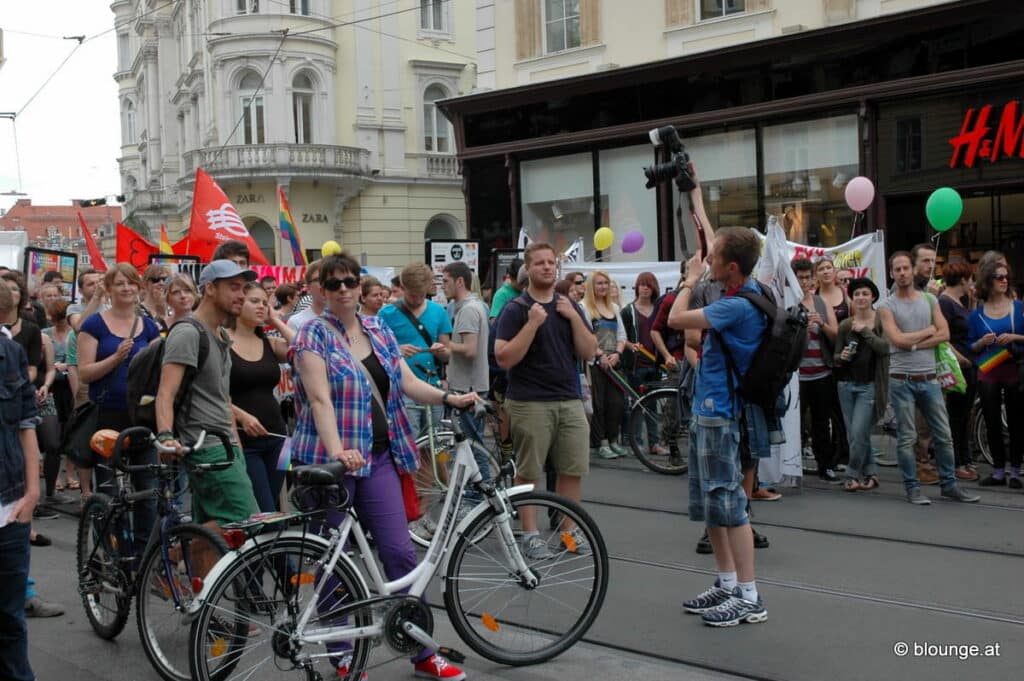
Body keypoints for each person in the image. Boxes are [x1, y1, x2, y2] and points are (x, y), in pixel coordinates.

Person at [290, 252, 475, 681]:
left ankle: (421, 650)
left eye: (349, 282)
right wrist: (337, 452)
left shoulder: (377, 327)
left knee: (399, 554)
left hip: (379, 456)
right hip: (327, 464)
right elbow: (319, 399)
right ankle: (341, 656)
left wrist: (449, 398)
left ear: (360, 286)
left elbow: (406, 380)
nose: (342, 290)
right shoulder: (311, 336)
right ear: (320, 290)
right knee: (334, 564)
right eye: (332, 283)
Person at [668, 228, 768, 627]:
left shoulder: (737, 306)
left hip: (719, 410)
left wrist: (689, 279)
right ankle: (727, 583)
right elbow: (715, 240)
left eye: (712, 259)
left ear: (730, 268)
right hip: (711, 406)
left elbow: (676, 318)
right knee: (712, 501)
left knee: (730, 504)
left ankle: (749, 594)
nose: (705, 260)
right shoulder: (749, 287)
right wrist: (693, 193)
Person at [494, 242, 598, 560]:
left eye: (551, 262)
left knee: (572, 468)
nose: (547, 267)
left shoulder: (569, 305)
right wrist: (532, 324)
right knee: (529, 471)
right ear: (528, 269)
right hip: (529, 401)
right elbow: (503, 357)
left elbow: (590, 351)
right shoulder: (516, 309)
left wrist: (574, 317)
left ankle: (568, 532)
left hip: (568, 398)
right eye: (539, 263)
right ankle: (531, 534)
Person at [156, 261, 260, 547]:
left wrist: (236, 446)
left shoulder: (220, 334)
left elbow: (222, 399)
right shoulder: (188, 333)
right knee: (244, 519)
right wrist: (165, 436)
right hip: (204, 448)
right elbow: (165, 392)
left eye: (244, 288)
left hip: (224, 446)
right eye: (234, 287)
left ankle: (197, 592)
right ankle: (167, 555)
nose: (241, 295)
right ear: (210, 288)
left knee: (208, 529)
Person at [878, 252, 980, 505]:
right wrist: (926, 333)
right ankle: (912, 487)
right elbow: (897, 340)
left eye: (905, 268)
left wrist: (912, 342)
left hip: (930, 377)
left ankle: (949, 485)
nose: (902, 273)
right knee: (907, 437)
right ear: (892, 274)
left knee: (943, 434)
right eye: (897, 269)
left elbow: (944, 334)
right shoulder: (885, 306)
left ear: (912, 271)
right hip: (901, 379)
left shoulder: (929, 300)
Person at [77, 264, 162, 553]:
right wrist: (115, 358)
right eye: (119, 284)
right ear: (109, 290)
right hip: (107, 416)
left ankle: (141, 558)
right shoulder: (94, 325)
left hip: (141, 417)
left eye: (131, 283)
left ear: (139, 288)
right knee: (109, 493)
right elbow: (85, 374)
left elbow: (158, 372)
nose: (126, 288)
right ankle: (113, 553)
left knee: (147, 492)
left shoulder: (148, 326)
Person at [0, 281, 43, 681]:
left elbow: (26, 425)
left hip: (9, 508)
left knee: (10, 621)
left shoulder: (10, 353)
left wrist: (32, 493)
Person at [227, 282, 295, 513]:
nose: (261, 307)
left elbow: (303, 349)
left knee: (275, 506)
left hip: (281, 438)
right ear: (238, 304)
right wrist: (241, 415)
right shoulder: (221, 341)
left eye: (265, 303)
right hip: (247, 443)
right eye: (254, 301)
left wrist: (275, 321)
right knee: (263, 510)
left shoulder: (269, 341)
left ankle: (278, 550)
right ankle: (273, 550)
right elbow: (210, 392)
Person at [968, 260, 1024, 488]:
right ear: (987, 282)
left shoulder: (1018, 307)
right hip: (989, 370)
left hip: (1014, 369)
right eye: (998, 277)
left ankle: (1015, 471)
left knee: (1017, 421)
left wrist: (1015, 338)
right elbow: (970, 346)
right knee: (991, 421)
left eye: (1006, 277)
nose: (1004, 281)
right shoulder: (977, 314)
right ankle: (998, 470)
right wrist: (982, 341)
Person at [379, 263, 452, 435]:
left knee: (437, 443)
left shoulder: (438, 311)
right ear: (402, 288)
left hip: (432, 385)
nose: (418, 299)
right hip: (402, 389)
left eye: (422, 294)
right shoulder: (386, 314)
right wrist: (397, 350)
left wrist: (441, 351)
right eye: (413, 295)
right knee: (410, 442)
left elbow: (448, 354)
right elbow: (378, 354)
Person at [833, 278, 889, 491]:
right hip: (846, 385)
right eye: (857, 294)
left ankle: (852, 474)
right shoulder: (846, 325)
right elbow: (836, 357)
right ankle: (871, 473)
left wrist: (865, 331)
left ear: (873, 296)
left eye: (865, 294)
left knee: (858, 433)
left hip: (869, 385)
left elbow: (884, 348)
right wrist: (843, 356)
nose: (861, 298)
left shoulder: (881, 321)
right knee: (856, 434)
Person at [792, 258, 842, 483]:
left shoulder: (821, 302)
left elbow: (837, 335)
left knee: (822, 422)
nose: (804, 282)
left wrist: (821, 323)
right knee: (795, 422)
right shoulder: (788, 302)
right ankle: (792, 465)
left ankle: (826, 465)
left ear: (813, 279)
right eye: (799, 277)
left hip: (821, 372)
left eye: (807, 277)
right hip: (797, 374)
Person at [938, 263, 979, 482]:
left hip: (968, 363)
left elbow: (969, 325)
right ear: (963, 280)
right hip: (959, 365)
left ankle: (964, 458)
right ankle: (956, 462)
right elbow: (943, 335)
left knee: (964, 415)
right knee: (957, 415)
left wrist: (972, 302)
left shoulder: (959, 302)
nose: (972, 283)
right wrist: (959, 359)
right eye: (970, 279)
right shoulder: (945, 302)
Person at [581, 270, 628, 459]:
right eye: (599, 283)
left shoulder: (615, 308)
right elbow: (586, 335)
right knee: (598, 404)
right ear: (592, 286)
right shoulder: (584, 307)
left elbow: (622, 336)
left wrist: (617, 353)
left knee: (616, 403)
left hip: (613, 362)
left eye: (605, 283)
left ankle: (613, 439)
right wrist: (600, 355)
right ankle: (601, 442)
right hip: (595, 364)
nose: (603, 287)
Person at [621, 271, 661, 407]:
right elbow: (620, 338)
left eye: (649, 286)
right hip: (635, 367)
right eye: (642, 285)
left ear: (654, 288)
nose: (645, 288)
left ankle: (653, 430)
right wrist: (631, 345)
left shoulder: (658, 310)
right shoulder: (627, 311)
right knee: (636, 407)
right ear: (637, 287)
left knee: (653, 407)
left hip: (656, 365)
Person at [288, 260, 324, 332]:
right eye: (319, 280)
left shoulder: (347, 317)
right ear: (308, 287)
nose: (324, 284)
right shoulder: (296, 322)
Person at [139, 264, 171, 333]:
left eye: (165, 279)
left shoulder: (173, 310)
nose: (161, 283)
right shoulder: (137, 312)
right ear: (145, 284)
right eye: (156, 280)